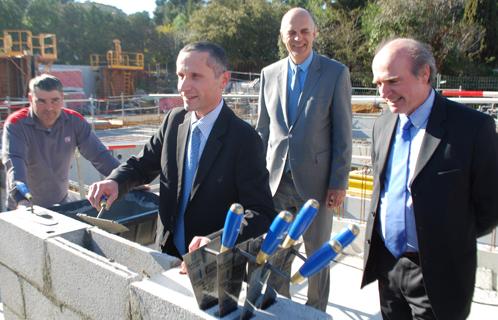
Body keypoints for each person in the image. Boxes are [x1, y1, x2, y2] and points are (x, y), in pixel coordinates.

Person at [87, 42, 275, 258]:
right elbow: (141, 166)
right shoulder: (174, 121)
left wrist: (217, 241)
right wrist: (115, 181)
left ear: (223, 80)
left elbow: (261, 213)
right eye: (180, 75)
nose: (183, 87)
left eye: (195, 76)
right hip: (167, 253)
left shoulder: (244, 138)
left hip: (211, 264)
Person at [361, 38, 498, 320]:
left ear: (424, 74)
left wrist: (446, 241)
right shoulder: (383, 124)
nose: (383, 92)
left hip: (440, 274)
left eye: (393, 81)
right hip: (388, 267)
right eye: (377, 84)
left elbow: (490, 207)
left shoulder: (472, 129)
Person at [256, 7, 352, 311]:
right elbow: (262, 129)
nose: (298, 38)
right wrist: (254, 176)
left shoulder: (335, 73)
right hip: (275, 182)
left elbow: (343, 133)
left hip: (317, 184)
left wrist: (338, 182)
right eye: (291, 33)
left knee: (317, 255)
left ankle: (315, 311)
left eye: (304, 31)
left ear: (314, 34)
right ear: (282, 36)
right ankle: (281, 307)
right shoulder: (269, 74)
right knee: (277, 251)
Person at [2, 74, 120, 210]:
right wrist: (21, 200)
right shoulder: (16, 124)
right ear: (30, 99)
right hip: (22, 206)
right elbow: (15, 163)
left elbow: (99, 155)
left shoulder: (74, 121)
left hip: (60, 205)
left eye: (55, 100)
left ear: (63, 98)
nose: (49, 108)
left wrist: (125, 178)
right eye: (41, 101)